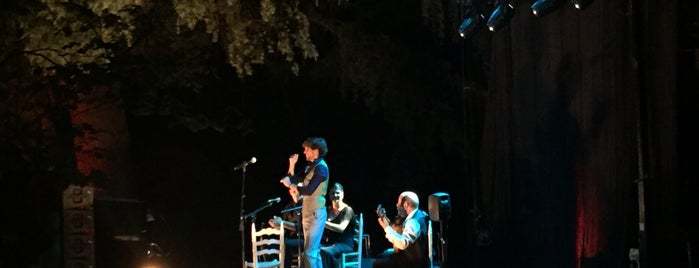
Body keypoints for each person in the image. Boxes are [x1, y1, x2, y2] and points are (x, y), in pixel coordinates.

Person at [269, 182, 357, 268]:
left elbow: (341, 228)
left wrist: (322, 222)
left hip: (343, 244)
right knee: (309, 251)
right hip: (328, 243)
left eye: (337, 193)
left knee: (323, 252)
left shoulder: (348, 210)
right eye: (332, 193)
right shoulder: (327, 210)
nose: (335, 195)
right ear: (329, 195)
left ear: (343, 194)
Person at [279, 137, 330, 268]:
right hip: (308, 213)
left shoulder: (321, 168)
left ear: (315, 150)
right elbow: (293, 180)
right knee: (313, 252)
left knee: (309, 252)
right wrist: (292, 164)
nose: (304, 152)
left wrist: (292, 185)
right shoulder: (311, 166)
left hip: (315, 214)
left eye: (307, 149)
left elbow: (308, 190)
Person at [373, 191, 430, 268]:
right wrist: (385, 218)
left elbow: (403, 244)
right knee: (381, 255)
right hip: (412, 257)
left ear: (406, 205)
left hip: (411, 262)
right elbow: (396, 231)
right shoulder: (421, 214)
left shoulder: (413, 222)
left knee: (376, 264)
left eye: (399, 203)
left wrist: (386, 228)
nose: (397, 205)